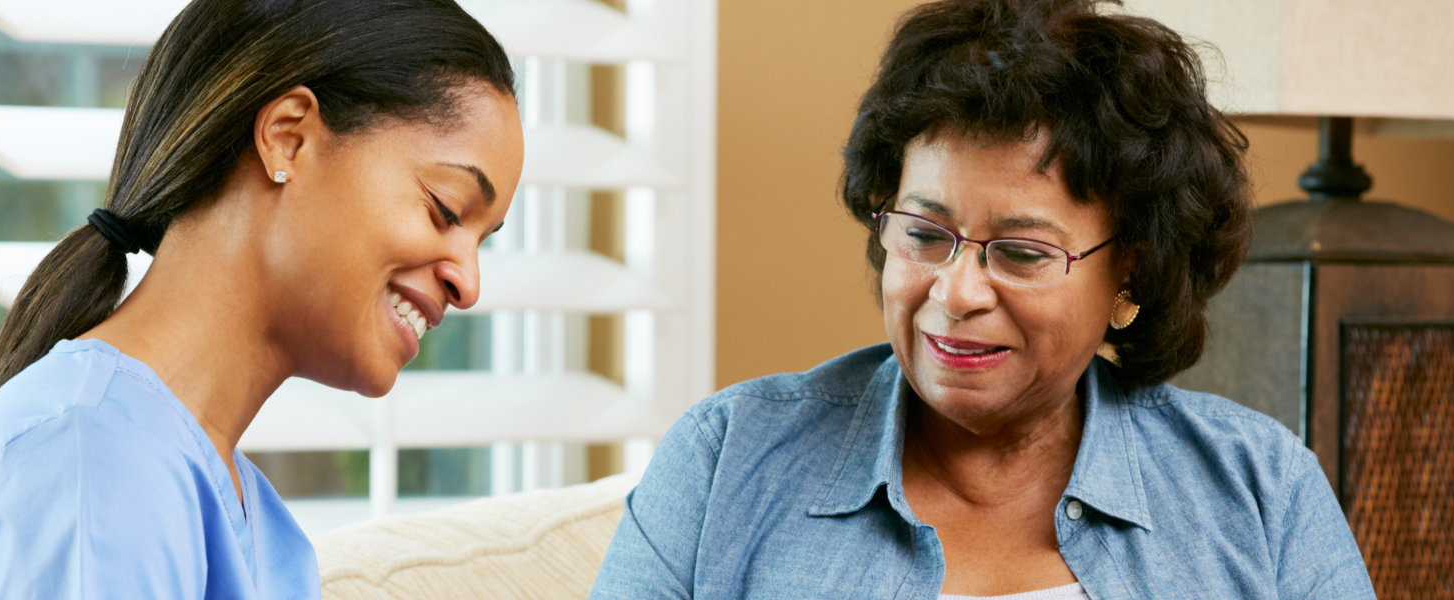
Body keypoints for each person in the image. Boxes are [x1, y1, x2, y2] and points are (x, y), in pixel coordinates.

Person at [589, 0, 1375, 598]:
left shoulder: (1261, 491)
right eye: (925, 235)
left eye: (1023, 253)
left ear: (1131, 271)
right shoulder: (726, 459)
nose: (955, 293)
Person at [0, 0, 521, 597]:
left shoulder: (252, 521)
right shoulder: (99, 462)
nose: (469, 283)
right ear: (289, 136)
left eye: (483, 242)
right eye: (447, 208)